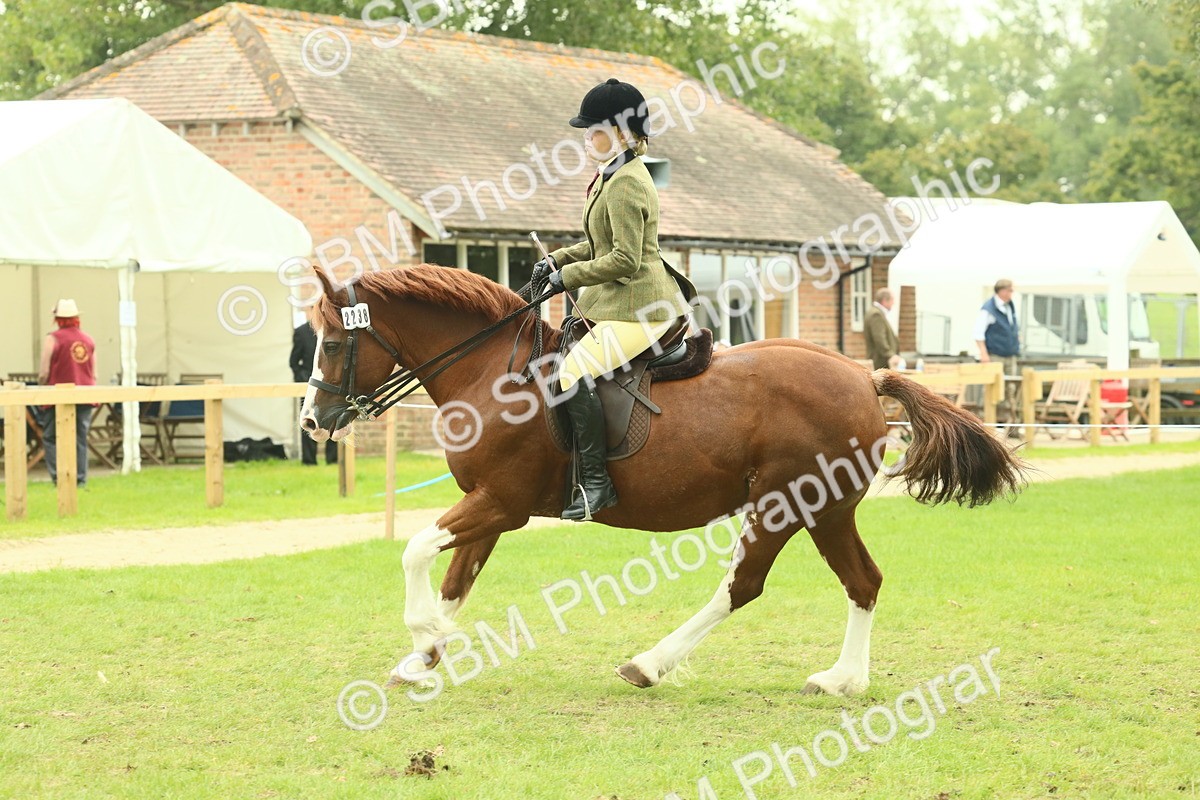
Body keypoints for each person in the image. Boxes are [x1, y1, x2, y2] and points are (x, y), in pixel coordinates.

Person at [533, 77, 693, 521]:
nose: (586, 139)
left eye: (594, 130)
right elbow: (597, 242)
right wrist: (557, 261)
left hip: (640, 306)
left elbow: (623, 259)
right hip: (618, 304)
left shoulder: (626, 182)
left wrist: (568, 276)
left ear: (622, 132)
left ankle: (596, 485)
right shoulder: (611, 176)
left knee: (572, 372)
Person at [37, 299, 96, 487]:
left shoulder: (52, 339)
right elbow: (94, 373)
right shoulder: (88, 340)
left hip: (58, 396)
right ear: (77, 318)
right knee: (80, 438)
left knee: (51, 437)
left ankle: (59, 478)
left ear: (57, 319)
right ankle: (80, 479)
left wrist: (41, 387)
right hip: (84, 394)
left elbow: (44, 372)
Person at [974, 278, 1021, 429]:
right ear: (1002, 290)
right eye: (1010, 290)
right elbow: (978, 333)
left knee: (1010, 389)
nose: (1011, 294)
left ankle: (1009, 424)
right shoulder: (988, 308)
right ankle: (986, 422)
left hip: (1010, 355)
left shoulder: (1009, 307)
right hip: (994, 355)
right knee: (991, 389)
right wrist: (984, 354)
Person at [291, 319, 338, 465]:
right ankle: (309, 460)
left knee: (334, 419)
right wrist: (305, 379)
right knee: (308, 421)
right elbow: (293, 362)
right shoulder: (301, 332)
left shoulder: (335, 329)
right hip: (309, 386)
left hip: (330, 385)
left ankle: (333, 459)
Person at [864, 288, 904, 370]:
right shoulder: (876, 314)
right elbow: (879, 339)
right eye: (892, 300)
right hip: (881, 363)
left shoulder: (877, 312)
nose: (893, 303)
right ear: (884, 301)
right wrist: (891, 355)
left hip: (882, 362)